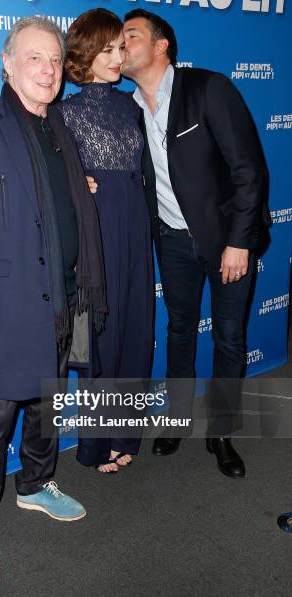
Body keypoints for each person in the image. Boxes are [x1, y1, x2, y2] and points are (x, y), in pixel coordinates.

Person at [0, 16, 107, 586]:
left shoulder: (61, 132)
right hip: (3, 308)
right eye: (33, 58)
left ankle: (36, 484)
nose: (47, 70)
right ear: (7, 64)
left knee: (48, 405)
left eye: (55, 61)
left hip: (61, 299)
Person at [122, 9, 270, 478]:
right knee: (180, 333)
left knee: (229, 338)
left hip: (227, 242)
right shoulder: (128, 108)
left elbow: (249, 170)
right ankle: (177, 419)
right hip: (171, 242)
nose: (121, 44)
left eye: (131, 35)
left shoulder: (208, 88)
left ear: (162, 44)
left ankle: (221, 432)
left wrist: (239, 242)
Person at [58, 9, 154, 474]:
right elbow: (56, 179)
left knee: (136, 330)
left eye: (121, 47)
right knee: (102, 334)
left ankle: (125, 433)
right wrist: (82, 183)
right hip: (96, 232)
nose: (118, 57)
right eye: (108, 49)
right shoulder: (65, 113)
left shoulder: (132, 106)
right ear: (85, 54)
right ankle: (95, 444)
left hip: (134, 226)